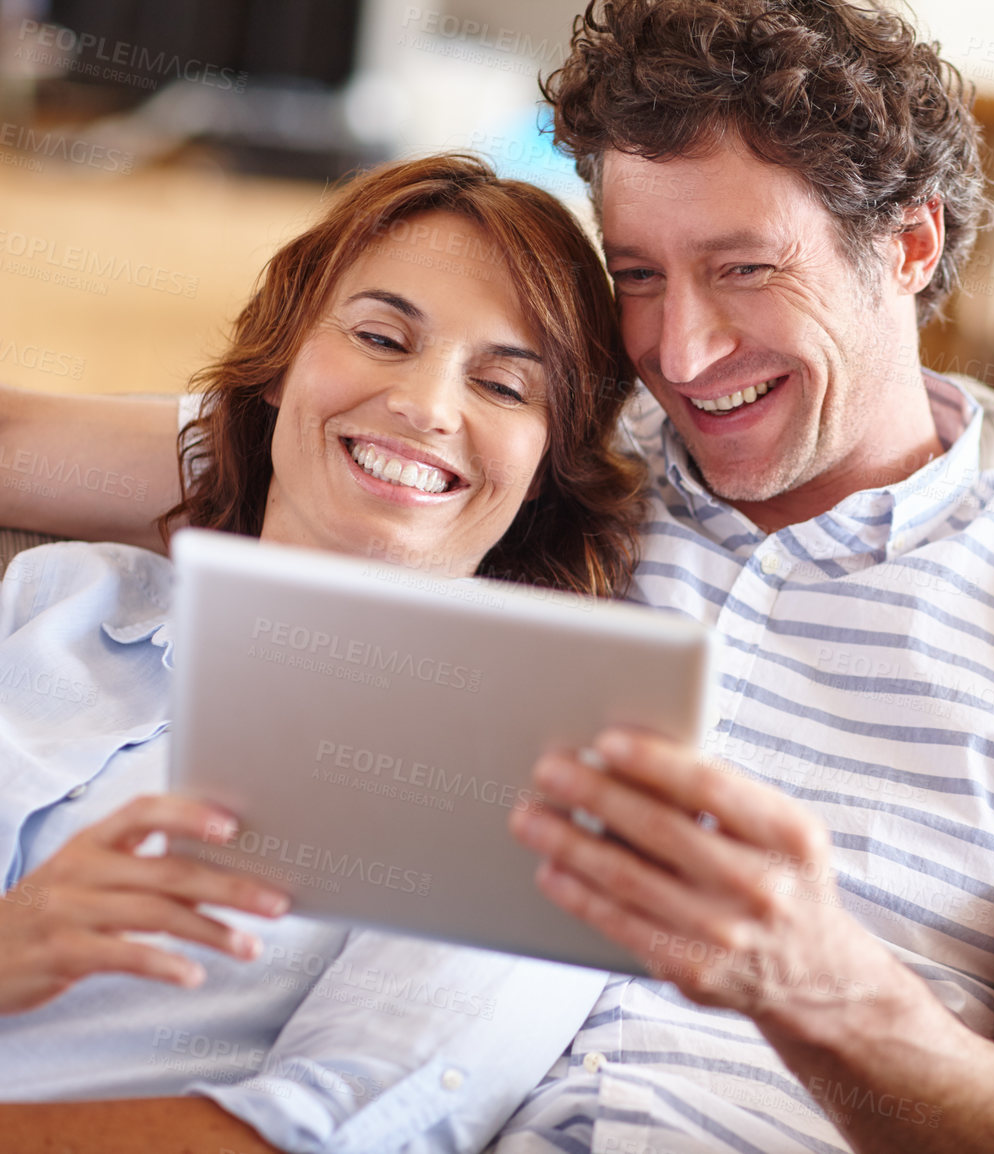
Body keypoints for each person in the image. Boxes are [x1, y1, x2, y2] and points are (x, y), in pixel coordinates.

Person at [0, 3, 994, 1153]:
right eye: (639, 277)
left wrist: (815, 983)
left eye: (743, 268)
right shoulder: (528, 451)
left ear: (911, 244)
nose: (682, 350)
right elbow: (259, 446)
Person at [0, 152, 645, 1154]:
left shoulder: (542, 767)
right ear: (281, 366)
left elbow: (342, 1128)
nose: (426, 404)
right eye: (381, 335)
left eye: (507, 386)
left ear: (546, 474)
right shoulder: (55, 599)